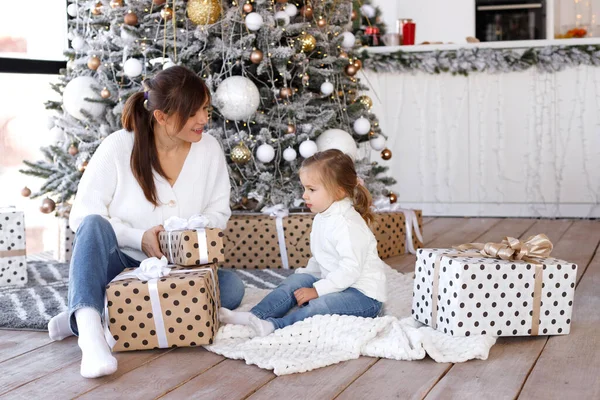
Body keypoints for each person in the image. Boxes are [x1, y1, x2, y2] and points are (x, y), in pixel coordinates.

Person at [47, 66, 245, 379]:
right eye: (192, 113)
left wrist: (179, 233)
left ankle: (94, 310)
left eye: (205, 109)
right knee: (95, 225)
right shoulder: (118, 146)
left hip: (178, 268)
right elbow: (82, 215)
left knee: (231, 288)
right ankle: (89, 332)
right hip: (122, 265)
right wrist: (139, 238)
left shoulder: (210, 149)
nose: (204, 120)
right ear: (162, 116)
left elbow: (218, 212)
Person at [219, 149, 386, 336]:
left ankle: (277, 325)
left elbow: (350, 270)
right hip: (335, 281)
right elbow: (320, 258)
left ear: (338, 192)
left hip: (362, 296)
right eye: (304, 188)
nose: (304, 195)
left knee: (320, 305)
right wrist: (303, 280)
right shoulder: (323, 216)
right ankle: (255, 315)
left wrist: (316, 290)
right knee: (295, 281)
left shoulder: (348, 225)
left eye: (312, 190)